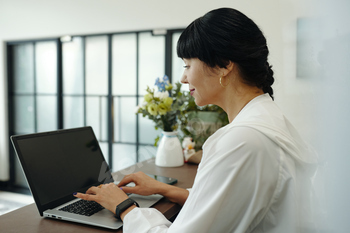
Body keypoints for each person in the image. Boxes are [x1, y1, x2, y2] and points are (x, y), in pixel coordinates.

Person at [74, 7, 318, 232]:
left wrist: (123, 207)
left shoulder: (242, 141)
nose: (183, 78)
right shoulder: (267, 121)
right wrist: (167, 190)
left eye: (187, 65)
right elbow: (229, 201)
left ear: (224, 65)